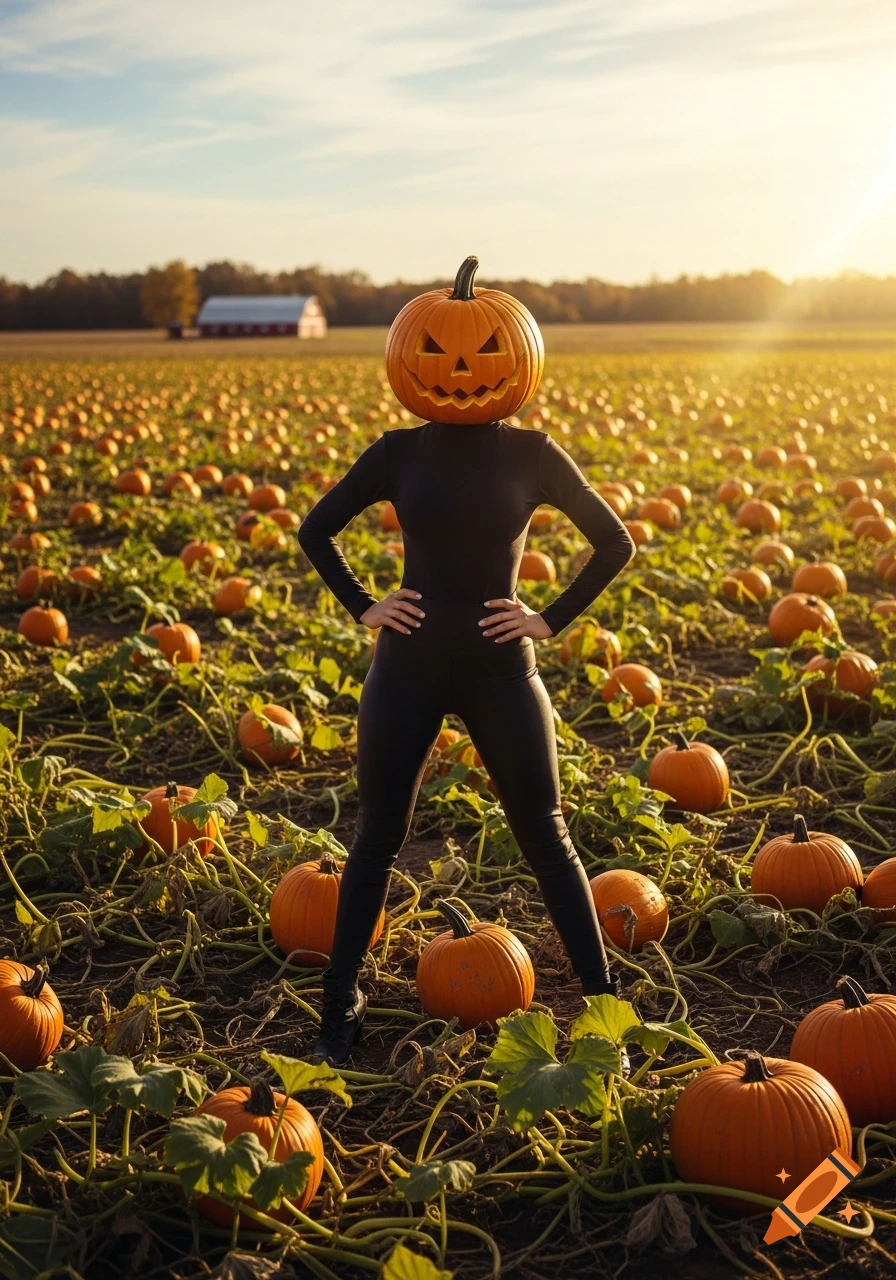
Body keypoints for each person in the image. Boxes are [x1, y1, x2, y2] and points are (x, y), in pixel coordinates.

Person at [296, 262, 637, 1066]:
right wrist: (365, 604)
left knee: (547, 836)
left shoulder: (533, 454)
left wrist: (548, 618)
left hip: (500, 669)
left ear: (515, 357)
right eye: (439, 352)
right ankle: (338, 1010)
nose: (459, 368)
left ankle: (602, 1009)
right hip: (406, 667)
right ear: (407, 357)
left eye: (481, 350)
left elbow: (614, 541)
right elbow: (317, 530)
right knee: (377, 836)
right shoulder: (396, 452)